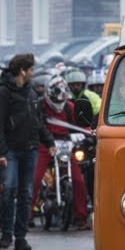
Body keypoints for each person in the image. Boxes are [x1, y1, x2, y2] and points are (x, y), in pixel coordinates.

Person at [0, 54, 52, 250]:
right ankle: (6, 233)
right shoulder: (2, 92)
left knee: (26, 193)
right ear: (22, 71)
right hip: (10, 150)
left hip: (30, 148)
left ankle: (21, 236)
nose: (33, 73)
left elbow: (37, 120)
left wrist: (48, 140)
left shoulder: (31, 92)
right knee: (8, 190)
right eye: (31, 69)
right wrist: (0, 152)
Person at [35, 76, 90, 229]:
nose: (59, 103)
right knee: (35, 178)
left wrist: (88, 133)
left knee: (78, 181)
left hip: (65, 145)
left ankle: (81, 217)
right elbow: (34, 124)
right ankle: (26, 216)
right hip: (45, 144)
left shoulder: (69, 107)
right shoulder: (40, 106)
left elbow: (82, 125)